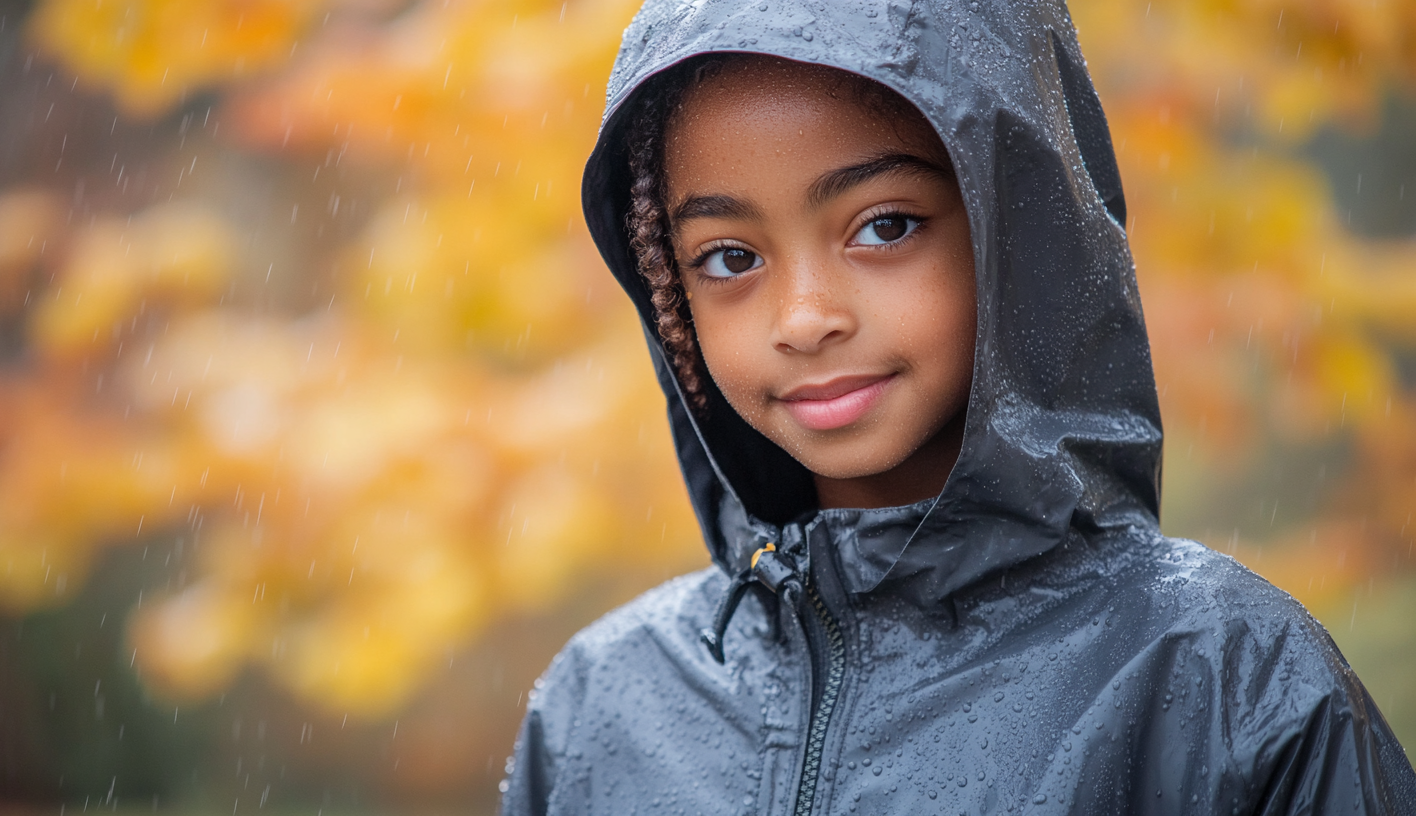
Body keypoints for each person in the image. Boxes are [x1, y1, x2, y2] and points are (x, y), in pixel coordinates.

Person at [499, 0, 1416, 812]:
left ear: (1017, 227)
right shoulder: (605, 705)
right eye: (731, 258)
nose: (806, 318)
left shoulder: (1225, 681)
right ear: (671, 295)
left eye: (884, 226)